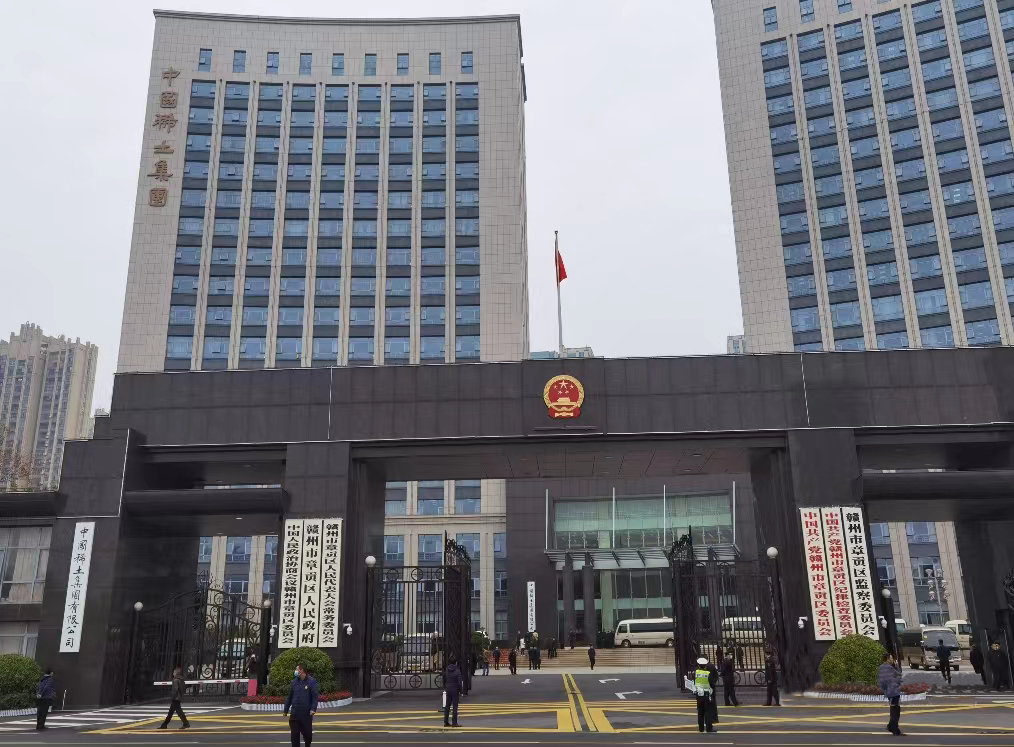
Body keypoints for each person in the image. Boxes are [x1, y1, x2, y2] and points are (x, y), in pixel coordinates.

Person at [284, 663, 318, 746]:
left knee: (308, 735)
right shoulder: (294, 682)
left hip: (306, 714)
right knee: (294, 735)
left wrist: (313, 708)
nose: (295, 671)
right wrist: (285, 710)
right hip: (295, 713)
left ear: (301, 670)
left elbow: (314, 696)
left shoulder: (311, 681)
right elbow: (289, 697)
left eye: (297, 669)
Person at [878, 651, 904, 737]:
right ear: (887, 659)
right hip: (893, 691)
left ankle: (890, 726)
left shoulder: (882, 668)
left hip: (890, 691)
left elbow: (881, 682)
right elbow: (898, 675)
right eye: (891, 658)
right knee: (895, 710)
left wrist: (885, 690)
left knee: (895, 708)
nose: (892, 660)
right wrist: (896, 667)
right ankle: (895, 729)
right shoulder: (889, 668)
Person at [692, 656, 718, 733]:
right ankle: (709, 728)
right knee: (707, 711)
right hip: (706, 694)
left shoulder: (695, 673)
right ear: (705, 666)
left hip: (699, 694)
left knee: (700, 712)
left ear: (698, 665)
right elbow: (712, 684)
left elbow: (694, 682)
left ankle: (701, 728)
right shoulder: (708, 674)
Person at [444, 654, 463, 727]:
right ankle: (454, 722)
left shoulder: (447, 670)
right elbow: (459, 682)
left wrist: (446, 686)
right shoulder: (457, 671)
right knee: (455, 706)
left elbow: (445, 678)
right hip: (455, 690)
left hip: (448, 689)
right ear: (456, 662)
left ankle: (446, 721)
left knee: (447, 706)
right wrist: (461, 691)